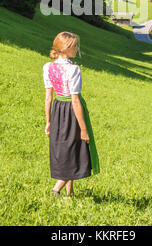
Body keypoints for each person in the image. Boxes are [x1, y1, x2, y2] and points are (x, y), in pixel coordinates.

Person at [43, 31, 100, 197]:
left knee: (67, 149)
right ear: (66, 48)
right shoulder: (73, 70)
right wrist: (83, 129)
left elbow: (48, 97)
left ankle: (70, 193)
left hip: (57, 110)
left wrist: (48, 121)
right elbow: (75, 100)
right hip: (71, 111)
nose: (77, 49)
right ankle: (56, 189)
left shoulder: (48, 67)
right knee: (74, 150)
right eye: (75, 46)